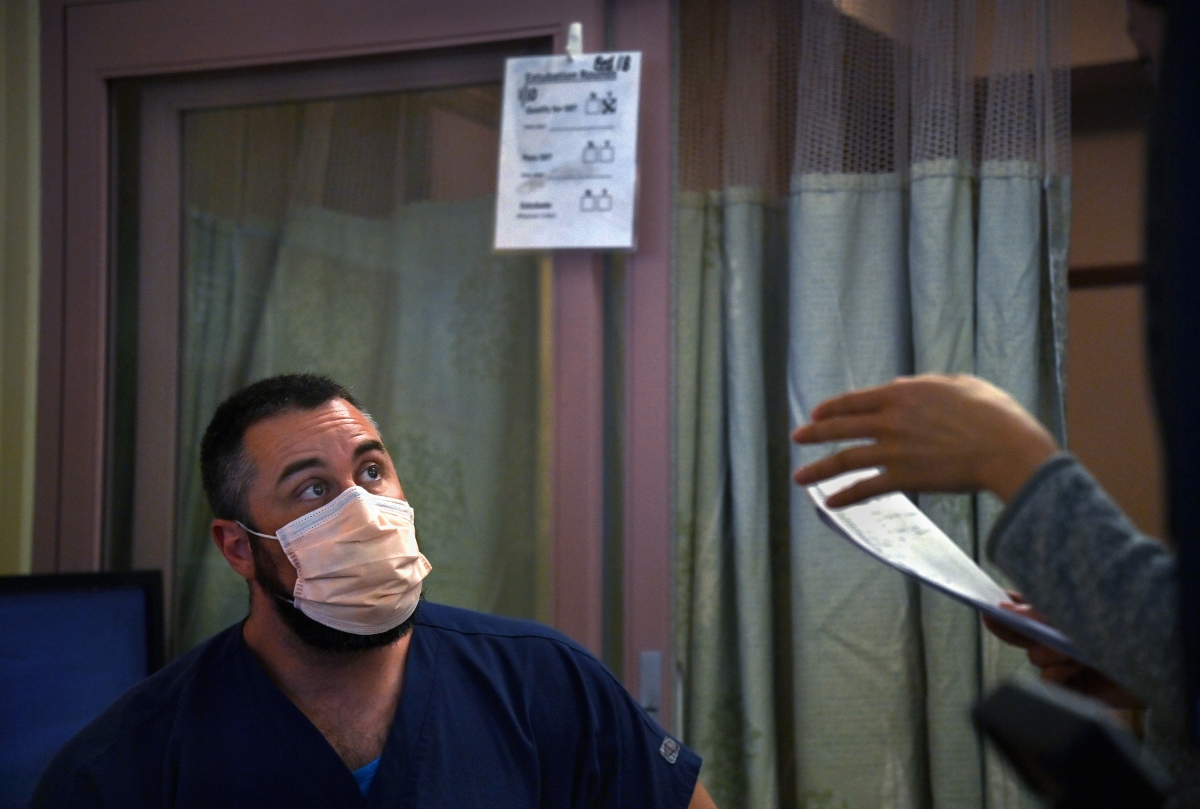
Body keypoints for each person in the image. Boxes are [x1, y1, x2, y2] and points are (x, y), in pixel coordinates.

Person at [31, 374, 714, 808]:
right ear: (239, 546)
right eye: (312, 489)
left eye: (370, 471)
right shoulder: (127, 765)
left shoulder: (544, 684)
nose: (361, 509)